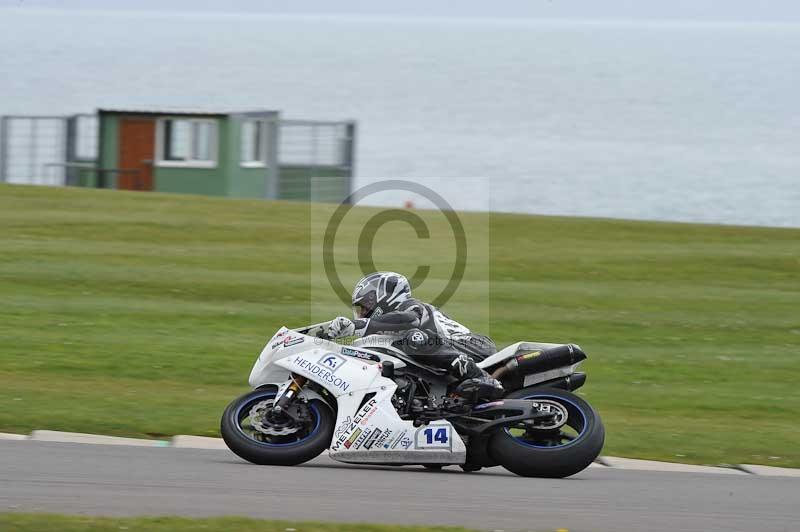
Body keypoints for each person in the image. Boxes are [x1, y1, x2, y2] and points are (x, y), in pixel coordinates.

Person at [326, 272, 504, 403]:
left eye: (365, 307)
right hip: (448, 352)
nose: (363, 313)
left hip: (474, 345)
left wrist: (359, 326)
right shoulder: (388, 329)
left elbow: (411, 320)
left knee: (415, 338)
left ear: (382, 297)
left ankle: (481, 377)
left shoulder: (409, 306)